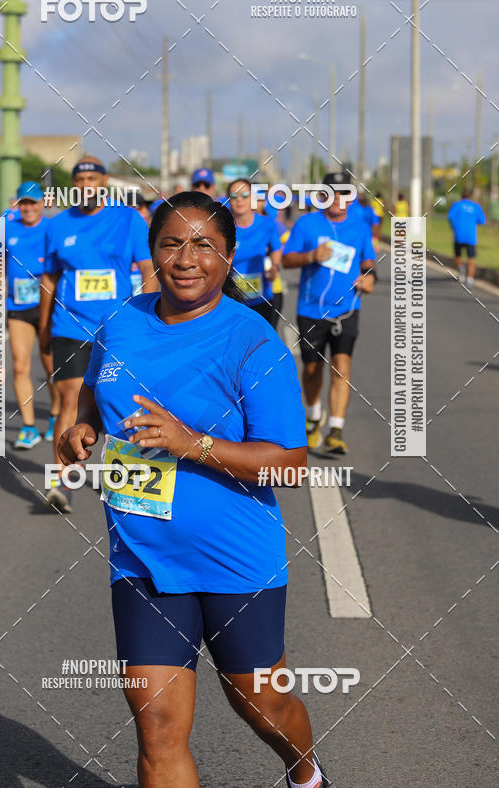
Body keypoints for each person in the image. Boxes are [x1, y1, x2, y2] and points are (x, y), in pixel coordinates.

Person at [58, 191, 329, 788]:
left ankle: (305, 772)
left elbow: (289, 464)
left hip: (235, 560)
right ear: (151, 253)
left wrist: (192, 444)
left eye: (204, 244)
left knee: (263, 705)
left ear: (229, 257)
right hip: (143, 558)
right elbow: (94, 391)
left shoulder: (251, 340)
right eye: (171, 243)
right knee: (156, 727)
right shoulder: (122, 320)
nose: (186, 257)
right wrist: (80, 428)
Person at [39, 156, 158, 513]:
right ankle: (62, 482)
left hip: (119, 328)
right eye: (80, 179)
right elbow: (49, 278)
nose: (86, 183)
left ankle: (130, 479)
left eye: (93, 177)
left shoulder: (128, 219)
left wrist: (147, 320)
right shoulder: (58, 225)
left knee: (123, 403)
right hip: (69, 325)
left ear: (104, 181)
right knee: (70, 400)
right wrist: (44, 326)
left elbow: (148, 270)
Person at [282, 173, 377, 454]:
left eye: (344, 193)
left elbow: (368, 260)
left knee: (341, 367)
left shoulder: (360, 227)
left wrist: (370, 277)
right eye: (332, 193)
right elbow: (287, 260)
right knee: (311, 370)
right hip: (310, 310)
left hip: (346, 310)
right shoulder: (307, 224)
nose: (338, 199)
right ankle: (313, 418)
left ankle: (336, 429)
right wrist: (312, 256)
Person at [6, 181, 60, 449]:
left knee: (51, 367)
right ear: (17, 204)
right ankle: (28, 427)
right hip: (17, 306)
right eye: (23, 203)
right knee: (19, 365)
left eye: (33, 202)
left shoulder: (52, 228)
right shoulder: (7, 228)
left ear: (42, 204)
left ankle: (54, 415)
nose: (28, 207)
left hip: (47, 306)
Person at [227, 178, 282, 324]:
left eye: (244, 195)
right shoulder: (224, 227)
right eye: (234, 196)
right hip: (233, 301)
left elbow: (276, 248)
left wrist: (274, 267)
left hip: (262, 299)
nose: (239, 200)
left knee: (263, 345)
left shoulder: (266, 224)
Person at [448, 187, 486, 287]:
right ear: (471, 196)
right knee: (471, 259)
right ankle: (469, 279)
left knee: (457, 256)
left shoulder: (456, 205)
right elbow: (482, 221)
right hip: (471, 236)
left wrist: (453, 226)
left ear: (461, 196)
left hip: (458, 235)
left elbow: (450, 217)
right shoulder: (476, 206)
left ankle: (461, 269)